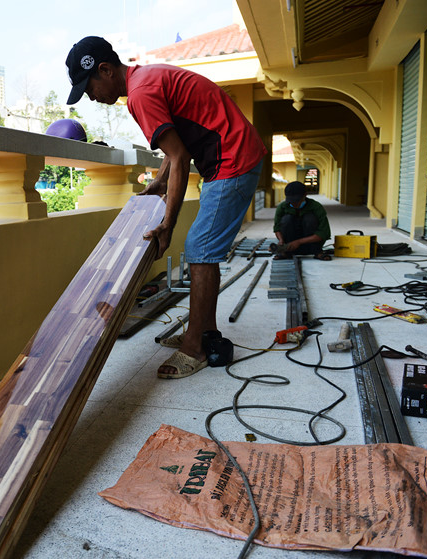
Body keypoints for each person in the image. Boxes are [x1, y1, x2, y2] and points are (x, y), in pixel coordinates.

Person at [65, 36, 267, 379]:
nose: (92, 97)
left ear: (105, 69)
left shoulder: (141, 94)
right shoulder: (145, 80)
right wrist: (159, 182)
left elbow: (179, 156)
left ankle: (194, 348)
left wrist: (167, 225)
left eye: (90, 88)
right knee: (202, 248)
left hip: (233, 160)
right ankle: (203, 333)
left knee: (200, 249)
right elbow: (176, 145)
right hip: (233, 155)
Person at [272, 181, 332, 260]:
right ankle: (286, 252)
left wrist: (299, 242)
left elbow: (323, 233)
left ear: (305, 195)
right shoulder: (282, 207)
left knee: (309, 218)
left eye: (297, 200)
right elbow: (277, 228)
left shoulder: (316, 207)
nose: (294, 204)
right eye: (291, 201)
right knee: (286, 219)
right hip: (290, 246)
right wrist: (281, 240)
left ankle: (317, 252)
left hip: (310, 246)